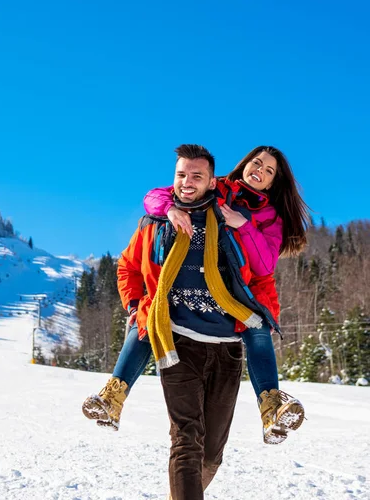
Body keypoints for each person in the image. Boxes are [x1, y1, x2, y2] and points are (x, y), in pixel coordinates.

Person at [83, 144, 309, 448]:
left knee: (258, 331)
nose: (260, 172)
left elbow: (264, 265)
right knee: (146, 321)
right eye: (257, 163)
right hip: (196, 291)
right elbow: (157, 196)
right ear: (244, 164)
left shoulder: (270, 215)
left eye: (268, 171)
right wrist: (170, 209)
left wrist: (242, 225)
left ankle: (270, 408)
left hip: (248, 290)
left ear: (272, 182)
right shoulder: (220, 189)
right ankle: (113, 395)